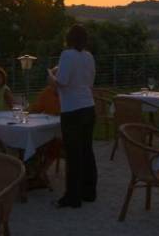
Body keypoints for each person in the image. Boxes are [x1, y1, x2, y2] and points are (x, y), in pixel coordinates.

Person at [49, 24, 97, 208]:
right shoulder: (88, 56)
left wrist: (51, 76)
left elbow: (62, 82)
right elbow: (89, 82)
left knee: (73, 153)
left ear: (68, 39)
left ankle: (72, 197)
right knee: (87, 150)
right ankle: (89, 192)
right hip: (88, 107)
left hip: (72, 110)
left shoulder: (67, 55)